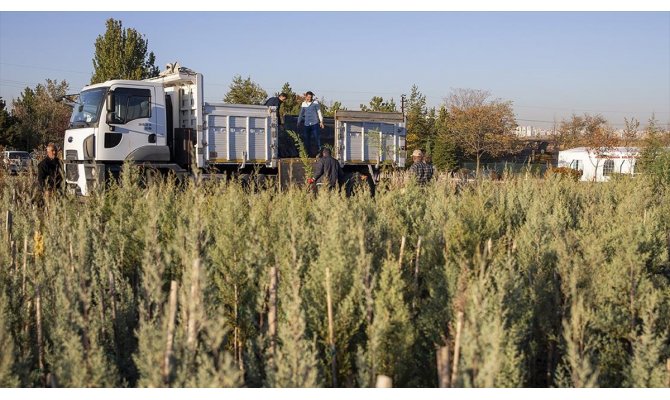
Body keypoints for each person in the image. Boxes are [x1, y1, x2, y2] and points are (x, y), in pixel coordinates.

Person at [296, 91, 324, 157]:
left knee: (317, 138)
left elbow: (319, 112)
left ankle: (320, 152)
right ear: (306, 97)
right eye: (308, 97)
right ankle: (307, 153)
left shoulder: (315, 103)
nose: (310, 98)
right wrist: (298, 122)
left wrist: (321, 122)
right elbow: (301, 114)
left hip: (315, 123)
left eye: (311, 97)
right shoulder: (303, 104)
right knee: (306, 139)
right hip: (307, 124)